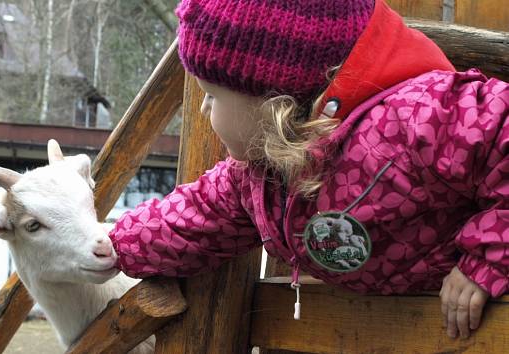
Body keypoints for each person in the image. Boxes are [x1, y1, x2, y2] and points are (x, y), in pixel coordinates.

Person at [72, 0, 508, 340]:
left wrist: (487, 262)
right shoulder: (259, 177)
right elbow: (197, 215)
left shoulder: (416, 119)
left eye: (211, 95)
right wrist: (115, 246)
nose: (203, 108)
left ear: (273, 100)